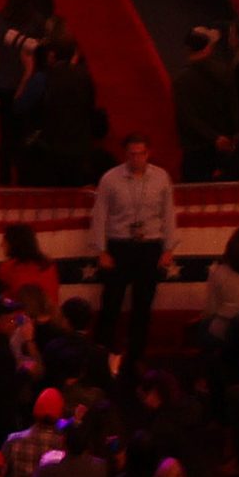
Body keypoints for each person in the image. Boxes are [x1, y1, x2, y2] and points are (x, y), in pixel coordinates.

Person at [89, 135, 176, 375]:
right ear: (125, 155)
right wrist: (101, 250)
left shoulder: (161, 177)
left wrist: (168, 248)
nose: (136, 158)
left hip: (150, 246)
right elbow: (100, 215)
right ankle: (103, 353)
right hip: (119, 245)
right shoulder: (110, 179)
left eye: (140, 153)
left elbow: (168, 214)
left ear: (148, 153)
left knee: (143, 305)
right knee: (111, 303)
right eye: (131, 154)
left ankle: (136, 355)